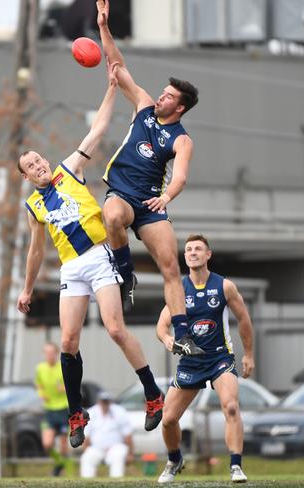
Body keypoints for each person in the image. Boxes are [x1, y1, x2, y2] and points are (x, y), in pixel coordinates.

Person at [16, 61, 164, 451]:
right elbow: (35, 251)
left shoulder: (68, 169)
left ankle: (153, 393)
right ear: (28, 178)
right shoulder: (34, 205)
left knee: (115, 330)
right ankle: (76, 413)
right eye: (31, 167)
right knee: (68, 341)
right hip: (72, 268)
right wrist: (27, 289)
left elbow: (98, 130)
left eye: (38, 160)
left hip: (100, 257)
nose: (38, 165)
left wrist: (112, 88)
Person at [95, 0, 204, 357]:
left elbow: (181, 177)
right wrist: (104, 28)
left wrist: (166, 198)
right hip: (122, 193)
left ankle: (184, 334)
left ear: (180, 107)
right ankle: (126, 275)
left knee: (172, 266)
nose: (161, 96)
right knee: (111, 216)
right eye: (163, 91)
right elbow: (117, 65)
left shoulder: (182, 138)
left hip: (150, 202)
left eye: (170, 96)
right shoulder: (143, 105)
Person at [155, 234, 254, 484]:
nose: (192, 252)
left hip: (220, 357)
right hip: (190, 362)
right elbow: (161, 326)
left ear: (208, 254)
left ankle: (235, 466)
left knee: (231, 406)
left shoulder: (224, 286)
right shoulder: (178, 289)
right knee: (167, 420)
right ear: (185, 256)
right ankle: (175, 459)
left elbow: (244, 319)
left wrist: (249, 355)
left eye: (198, 248)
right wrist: (168, 341)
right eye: (188, 249)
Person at [35, 342, 72, 476]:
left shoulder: (63, 367)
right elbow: (38, 384)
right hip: (49, 410)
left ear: (56, 354)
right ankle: (59, 463)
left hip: (62, 409)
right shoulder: (40, 368)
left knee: (63, 447)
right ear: (44, 354)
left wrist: (64, 389)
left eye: (52, 352)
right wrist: (41, 394)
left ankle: (67, 473)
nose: (49, 355)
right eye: (47, 352)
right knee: (47, 444)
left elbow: (73, 386)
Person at [80, 391, 134, 478]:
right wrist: (86, 450)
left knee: (119, 455)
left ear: (110, 402)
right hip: (97, 448)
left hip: (115, 447)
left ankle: (116, 482)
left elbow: (127, 434)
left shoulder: (120, 412)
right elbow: (86, 436)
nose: (105, 404)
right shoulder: (91, 412)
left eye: (107, 401)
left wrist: (130, 453)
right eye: (103, 401)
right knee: (87, 457)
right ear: (99, 402)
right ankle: (87, 483)